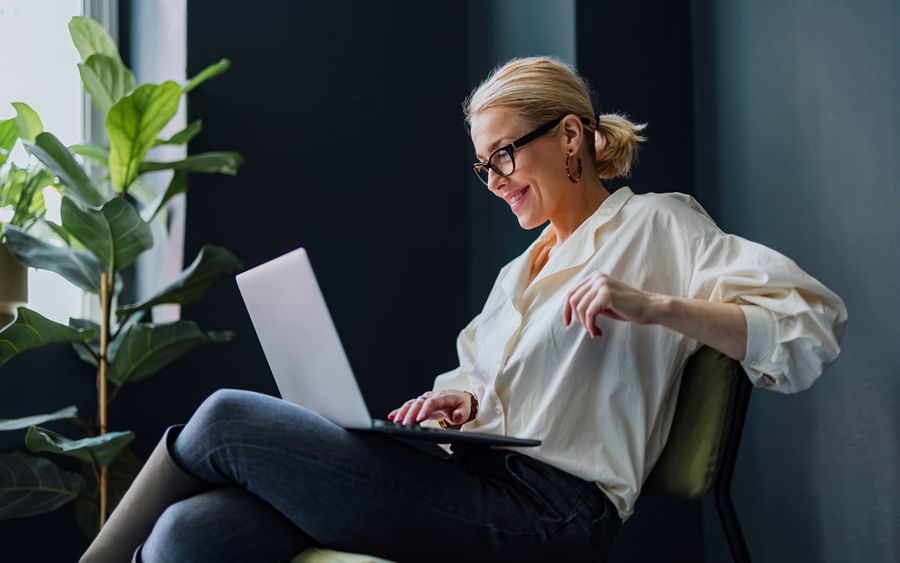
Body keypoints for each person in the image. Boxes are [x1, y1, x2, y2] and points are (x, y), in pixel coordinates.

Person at [81, 56, 847, 563]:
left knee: (221, 418)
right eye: (484, 165)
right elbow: (488, 384)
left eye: (505, 155)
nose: (495, 179)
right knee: (190, 534)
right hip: (474, 480)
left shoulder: (656, 226)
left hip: (554, 513)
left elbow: (807, 322)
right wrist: (462, 400)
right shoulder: (520, 271)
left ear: (571, 134)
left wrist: (655, 304)